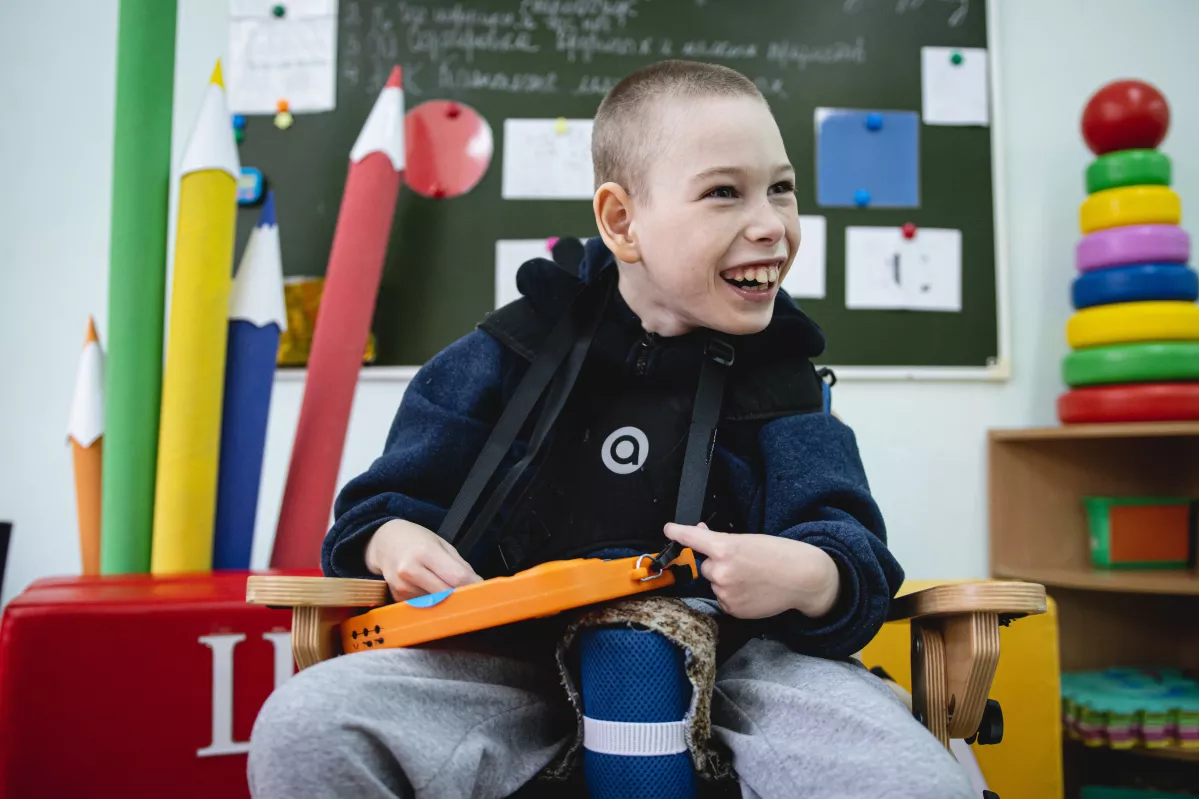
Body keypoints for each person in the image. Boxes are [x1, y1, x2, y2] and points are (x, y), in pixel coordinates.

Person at [248, 59, 975, 799]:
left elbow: (848, 550)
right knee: (307, 728)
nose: (770, 224)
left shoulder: (782, 376)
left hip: (739, 672)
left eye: (780, 188)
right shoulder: (503, 354)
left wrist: (810, 574)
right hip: (512, 665)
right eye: (724, 192)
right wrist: (391, 541)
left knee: (918, 781)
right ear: (621, 221)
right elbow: (377, 510)